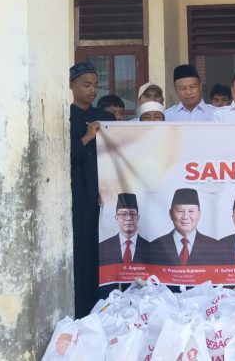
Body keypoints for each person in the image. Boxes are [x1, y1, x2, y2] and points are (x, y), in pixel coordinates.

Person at [69, 61, 115, 317]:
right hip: (77, 195)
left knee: (103, 251)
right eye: (86, 85)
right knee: (81, 250)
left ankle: (105, 309)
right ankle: (80, 311)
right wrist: (87, 136)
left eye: (96, 85)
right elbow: (63, 155)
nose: (92, 90)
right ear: (72, 85)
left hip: (102, 194)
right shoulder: (64, 116)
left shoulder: (106, 118)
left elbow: (118, 156)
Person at [149, 188, 222, 266]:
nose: (185, 217)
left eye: (191, 211)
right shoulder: (155, 246)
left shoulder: (214, 247)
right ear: (171, 214)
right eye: (180, 211)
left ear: (199, 214)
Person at [99, 193, 151, 265]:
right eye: (123, 214)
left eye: (132, 214)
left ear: (138, 218)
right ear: (116, 218)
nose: (128, 218)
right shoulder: (103, 247)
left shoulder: (151, 249)